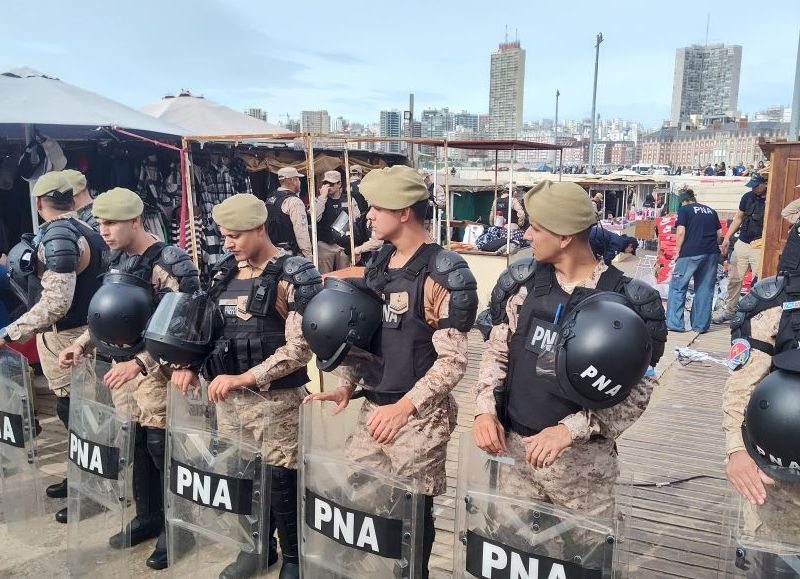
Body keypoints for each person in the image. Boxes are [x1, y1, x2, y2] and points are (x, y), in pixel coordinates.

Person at [304, 165, 478, 577]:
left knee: (412, 510)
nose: (368, 215)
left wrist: (404, 408)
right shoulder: (381, 262)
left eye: (378, 208)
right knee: (358, 496)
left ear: (404, 212)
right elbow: (369, 336)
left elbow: (453, 363)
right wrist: (347, 385)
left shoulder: (441, 272)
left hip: (419, 417)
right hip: (376, 408)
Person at [471, 180, 666, 546]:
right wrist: (484, 410)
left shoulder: (627, 302)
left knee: (587, 561)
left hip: (583, 469)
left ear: (563, 237)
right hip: (515, 457)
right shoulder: (524, 286)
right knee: (510, 556)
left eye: (536, 228)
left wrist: (569, 430)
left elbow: (638, 391)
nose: (526, 235)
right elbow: (498, 352)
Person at [171, 193, 321, 579]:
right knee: (240, 476)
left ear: (259, 228)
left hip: (276, 401)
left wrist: (246, 377)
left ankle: (293, 559)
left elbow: (299, 348)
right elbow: (205, 327)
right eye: (224, 236)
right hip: (228, 400)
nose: (228, 243)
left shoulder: (294, 274)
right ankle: (255, 548)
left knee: (283, 481)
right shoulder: (225, 272)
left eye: (235, 235)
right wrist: (189, 364)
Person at [58, 187, 200, 570]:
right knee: (135, 445)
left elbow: (183, 325)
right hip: (120, 370)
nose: (103, 230)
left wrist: (139, 363)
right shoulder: (115, 256)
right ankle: (148, 517)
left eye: (112, 223)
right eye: (100, 222)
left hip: (157, 373)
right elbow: (112, 313)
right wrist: (85, 343)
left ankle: (178, 527)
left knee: (163, 448)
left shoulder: (170, 262)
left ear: (136, 220)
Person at [0, 170, 106, 524]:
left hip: (68, 335)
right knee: (77, 411)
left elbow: (57, 302)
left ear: (39, 202)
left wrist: (12, 331)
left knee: (80, 414)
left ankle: (93, 489)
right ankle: (81, 476)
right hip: (75, 333)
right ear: (72, 197)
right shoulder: (85, 227)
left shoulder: (60, 233)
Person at [722, 219, 800, 575]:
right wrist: (737, 450)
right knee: (769, 564)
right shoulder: (778, 304)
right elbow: (743, 385)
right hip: (781, 483)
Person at [714, 169, 769, 324]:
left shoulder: (772, 198)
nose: (753, 188)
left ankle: (757, 315)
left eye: (756, 185)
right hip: (742, 243)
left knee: (758, 282)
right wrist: (727, 237)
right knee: (734, 280)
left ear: (765, 184)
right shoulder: (747, 197)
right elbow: (738, 218)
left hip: (759, 245)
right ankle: (730, 311)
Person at [666, 189, 722, 333]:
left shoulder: (685, 210)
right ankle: (700, 326)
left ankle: (675, 324)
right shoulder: (711, 211)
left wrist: (678, 251)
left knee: (678, 287)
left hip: (690, 253)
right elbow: (720, 235)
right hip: (711, 253)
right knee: (705, 289)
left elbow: (680, 232)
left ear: (683, 201)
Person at [313, 170, 358, 274]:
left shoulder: (349, 199)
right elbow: (315, 218)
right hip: (324, 245)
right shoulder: (319, 200)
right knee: (324, 277)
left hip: (343, 245)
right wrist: (322, 197)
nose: (328, 187)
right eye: (325, 183)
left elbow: (356, 221)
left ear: (339, 184)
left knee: (344, 277)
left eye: (332, 184)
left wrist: (355, 246)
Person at [265, 167, 313, 260]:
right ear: (293, 180)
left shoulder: (270, 199)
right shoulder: (294, 201)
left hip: (271, 252)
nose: (300, 182)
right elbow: (301, 231)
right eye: (298, 179)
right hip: (289, 254)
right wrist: (308, 256)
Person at [419, 168, 445, 236]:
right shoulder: (418, 189)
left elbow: (442, 203)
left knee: (433, 241)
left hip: (432, 221)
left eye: (423, 180)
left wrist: (429, 203)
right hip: (419, 221)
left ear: (428, 177)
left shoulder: (437, 188)